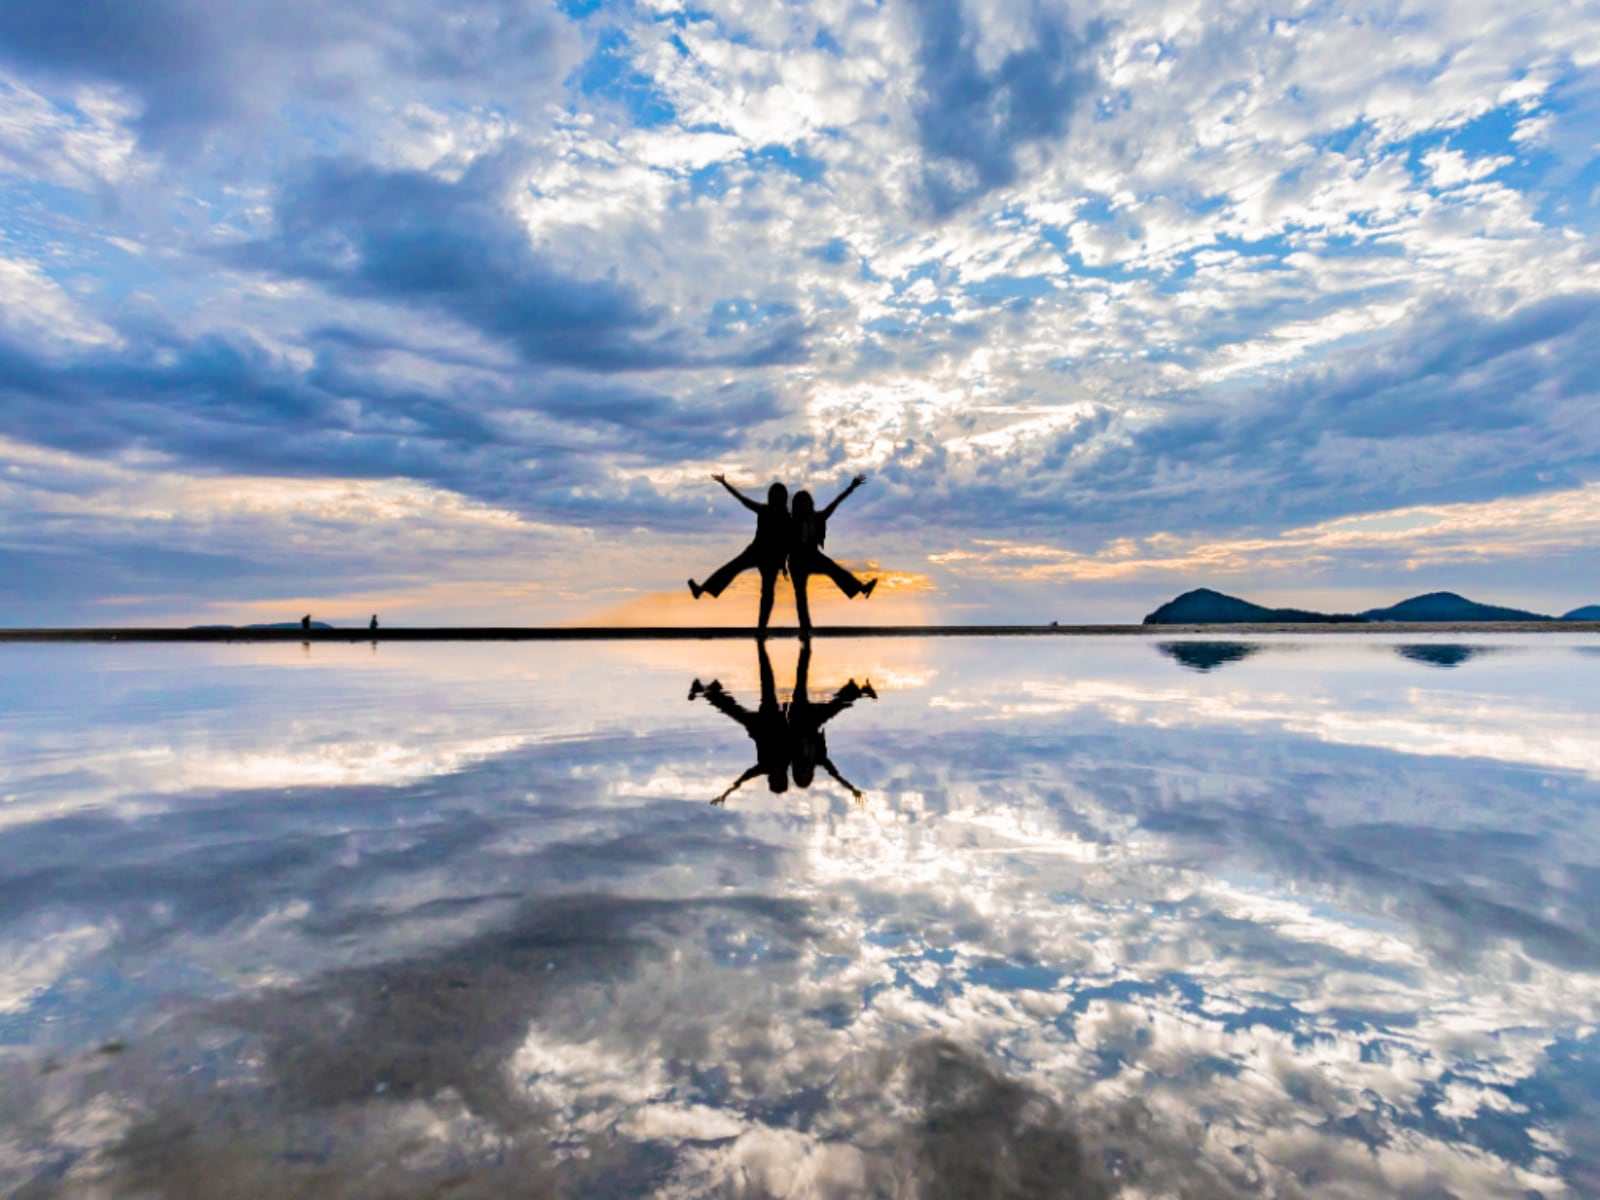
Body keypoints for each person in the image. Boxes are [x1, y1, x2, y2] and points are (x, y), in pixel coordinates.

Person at [689, 640, 790, 804]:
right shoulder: (786, 760)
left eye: (774, 780)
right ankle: (712, 690)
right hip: (769, 720)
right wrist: (785, 709)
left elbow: (742, 779)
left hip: (759, 725)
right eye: (778, 779)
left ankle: (710, 690)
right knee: (763, 687)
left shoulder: (767, 767)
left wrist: (726, 794)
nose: (775, 776)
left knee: (732, 708)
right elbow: (790, 734)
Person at [688, 475, 791, 631]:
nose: (777, 500)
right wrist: (725, 483)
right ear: (771, 498)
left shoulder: (787, 518)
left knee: (768, 592)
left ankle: (762, 628)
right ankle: (701, 590)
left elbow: (786, 544)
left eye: (780, 498)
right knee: (731, 568)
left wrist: (783, 564)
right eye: (775, 497)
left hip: (772, 559)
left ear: (784, 499)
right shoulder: (764, 510)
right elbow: (742, 499)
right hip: (756, 551)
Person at [786, 641, 875, 801]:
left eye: (802, 775)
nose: (805, 772)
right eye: (807, 775)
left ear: (796, 772)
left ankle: (805, 649)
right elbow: (835, 775)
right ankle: (860, 690)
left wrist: (784, 707)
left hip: (798, 715)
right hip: (814, 721)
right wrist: (852, 789)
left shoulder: (787, 756)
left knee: (801, 681)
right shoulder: (818, 759)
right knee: (839, 704)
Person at [789, 473, 876, 637]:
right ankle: (805, 629)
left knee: (834, 569)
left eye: (806, 501)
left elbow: (835, 503)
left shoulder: (818, 517)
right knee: (800, 596)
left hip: (812, 555)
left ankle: (862, 588)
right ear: (797, 506)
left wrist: (851, 488)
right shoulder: (791, 522)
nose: (805, 504)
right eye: (801, 502)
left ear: (810, 503)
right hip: (796, 560)